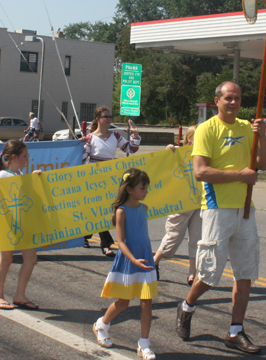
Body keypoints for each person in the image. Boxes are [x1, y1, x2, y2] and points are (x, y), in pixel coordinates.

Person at [176, 81, 266, 354]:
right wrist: (239, 175)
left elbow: (262, 164)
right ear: (217, 100)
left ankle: (235, 331)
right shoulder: (207, 129)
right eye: (228, 97)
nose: (233, 102)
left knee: (246, 273)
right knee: (208, 273)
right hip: (216, 209)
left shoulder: (246, 128)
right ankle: (187, 306)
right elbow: (201, 172)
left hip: (245, 209)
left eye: (237, 98)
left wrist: (261, 136)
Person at [93, 168, 157, 360]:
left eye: (147, 188)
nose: (146, 191)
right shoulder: (121, 211)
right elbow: (120, 242)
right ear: (129, 189)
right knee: (123, 302)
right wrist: (133, 260)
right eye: (142, 188)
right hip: (130, 260)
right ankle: (101, 325)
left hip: (145, 258)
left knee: (147, 302)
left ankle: (144, 344)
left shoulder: (144, 209)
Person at [0, 140, 42, 310]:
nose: (26, 159)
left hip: (23, 222)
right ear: (14, 157)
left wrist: (35, 178)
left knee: (31, 258)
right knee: (6, 259)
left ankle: (20, 295)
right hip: (8, 223)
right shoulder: (2, 176)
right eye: (24, 156)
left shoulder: (19, 174)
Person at [82, 106, 141, 257]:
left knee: (105, 209)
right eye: (105, 117)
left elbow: (131, 148)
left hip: (109, 177)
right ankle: (106, 243)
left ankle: (86, 236)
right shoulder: (90, 138)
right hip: (93, 178)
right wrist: (80, 146)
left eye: (110, 116)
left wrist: (134, 132)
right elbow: (83, 159)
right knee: (97, 208)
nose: (108, 119)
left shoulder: (115, 135)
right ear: (98, 119)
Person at [153, 125, 201, 285]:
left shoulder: (206, 153)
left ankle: (192, 273)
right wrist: (170, 151)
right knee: (174, 236)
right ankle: (155, 261)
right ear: (189, 138)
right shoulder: (179, 153)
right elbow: (166, 168)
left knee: (197, 239)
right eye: (197, 136)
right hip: (182, 202)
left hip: (200, 201)